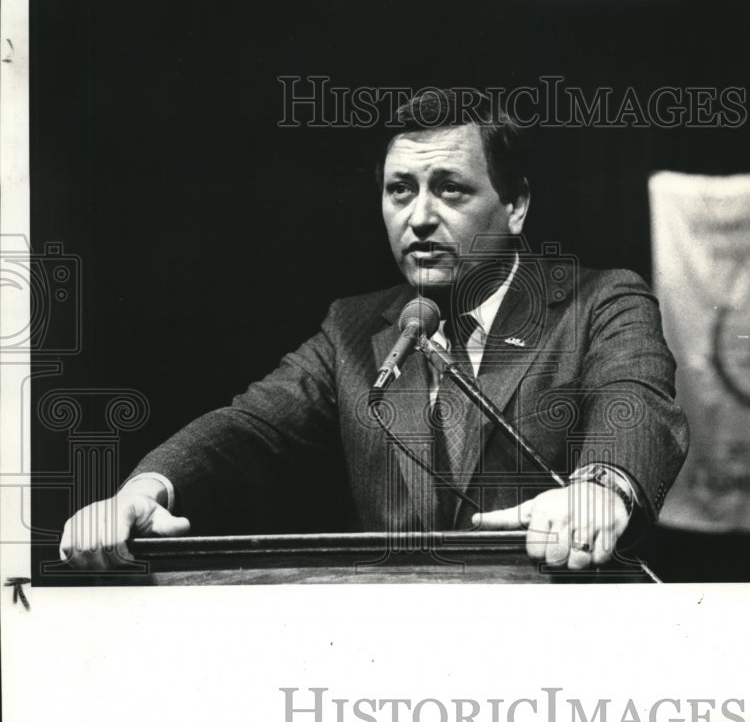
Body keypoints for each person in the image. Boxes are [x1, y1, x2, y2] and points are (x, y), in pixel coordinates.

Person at [59, 88, 689, 573]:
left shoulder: (600, 302)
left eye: (449, 190)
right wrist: (141, 491)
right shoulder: (355, 327)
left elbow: (633, 401)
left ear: (516, 205)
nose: (418, 217)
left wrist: (601, 489)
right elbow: (250, 426)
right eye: (399, 191)